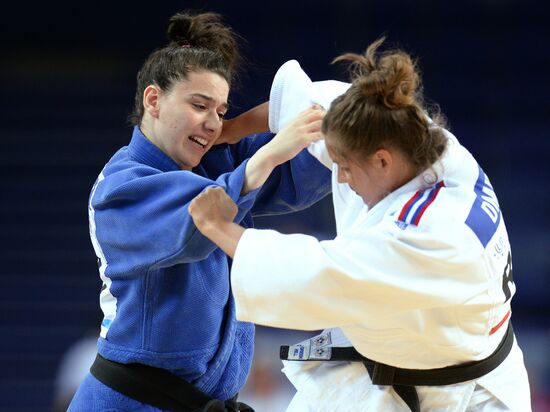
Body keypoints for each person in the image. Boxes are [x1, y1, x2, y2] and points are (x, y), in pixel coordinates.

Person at [188, 38, 532, 411]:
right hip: (390, 359)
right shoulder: (407, 133)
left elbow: (316, 272)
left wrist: (219, 225)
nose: (342, 179)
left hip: (461, 394)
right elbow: (307, 110)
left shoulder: (431, 234)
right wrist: (230, 129)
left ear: (382, 161)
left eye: (347, 167)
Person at [68, 11, 331, 412]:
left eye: (220, 112)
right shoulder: (120, 187)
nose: (211, 124)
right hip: (130, 401)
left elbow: (313, 158)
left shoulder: (216, 162)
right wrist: (271, 152)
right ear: (153, 100)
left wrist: (240, 128)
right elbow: (203, 218)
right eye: (199, 105)